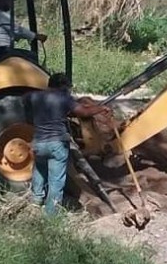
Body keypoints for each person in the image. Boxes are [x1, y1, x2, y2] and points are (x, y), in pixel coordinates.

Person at [25, 73, 109, 215]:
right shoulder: (63, 98)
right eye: (68, 88)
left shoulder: (34, 96)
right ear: (63, 87)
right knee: (56, 180)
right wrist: (101, 108)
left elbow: (26, 106)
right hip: (57, 143)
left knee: (39, 172)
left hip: (39, 142)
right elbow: (84, 112)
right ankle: (51, 214)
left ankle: (35, 202)